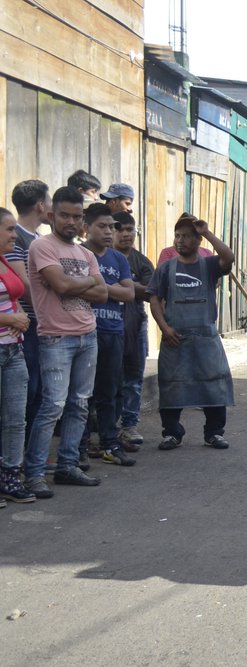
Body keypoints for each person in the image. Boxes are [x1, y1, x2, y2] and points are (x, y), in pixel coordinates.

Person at [23, 186, 109, 498]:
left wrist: (75, 284)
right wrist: (85, 282)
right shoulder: (41, 247)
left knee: (79, 405)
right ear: (51, 215)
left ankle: (68, 466)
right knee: (53, 406)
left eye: (76, 216)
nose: (71, 222)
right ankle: (33, 475)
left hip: (88, 335)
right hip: (56, 338)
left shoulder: (85, 253)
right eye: (64, 215)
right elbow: (59, 285)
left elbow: (104, 294)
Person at [148, 214, 235, 451]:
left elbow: (229, 257)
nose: (180, 240)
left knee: (213, 385)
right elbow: (154, 299)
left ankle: (214, 433)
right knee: (171, 385)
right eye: (177, 236)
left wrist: (207, 231)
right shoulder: (166, 268)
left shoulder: (208, 265)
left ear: (198, 241)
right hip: (175, 338)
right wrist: (164, 329)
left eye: (187, 236)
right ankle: (172, 433)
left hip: (206, 338)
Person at [78, 203, 135, 467]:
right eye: (102, 226)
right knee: (81, 395)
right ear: (86, 227)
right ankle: (79, 446)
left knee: (109, 392)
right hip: (85, 331)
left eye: (111, 226)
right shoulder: (78, 255)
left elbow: (130, 294)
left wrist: (100, 287)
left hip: (114, 332)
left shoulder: (118, 259)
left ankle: (109, 444)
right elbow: (76, 290)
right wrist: (111, 288)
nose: (109, 232)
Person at [8, 180, 51, 432]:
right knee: (30, 386)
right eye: (50, 202)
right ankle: (20, 454)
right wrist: (49, 313)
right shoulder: (18, 238)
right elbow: (22, 284)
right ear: (40, 205)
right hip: (29, 322)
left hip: (41, 322)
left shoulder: (39, 239)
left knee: (41, 388)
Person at [111, 212, 155, 450]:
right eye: (121, 229)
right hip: (107, 323)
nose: (126, 234)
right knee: (109, 379)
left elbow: (152, 291)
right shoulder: (104, 257)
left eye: (130, 229)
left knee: (134, 378)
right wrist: (133, 287)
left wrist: (121, 286)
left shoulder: (141, 261)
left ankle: (129, 426)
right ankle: (107, 429)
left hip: (136, 323)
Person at [0, 209, 35, 503]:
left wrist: (19, 314)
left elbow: (13, 297)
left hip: (13, 350)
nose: (15, 235)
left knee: (15, 418)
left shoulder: (4, 262)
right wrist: (10, 321)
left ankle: (10, 476)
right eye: (9, 229)